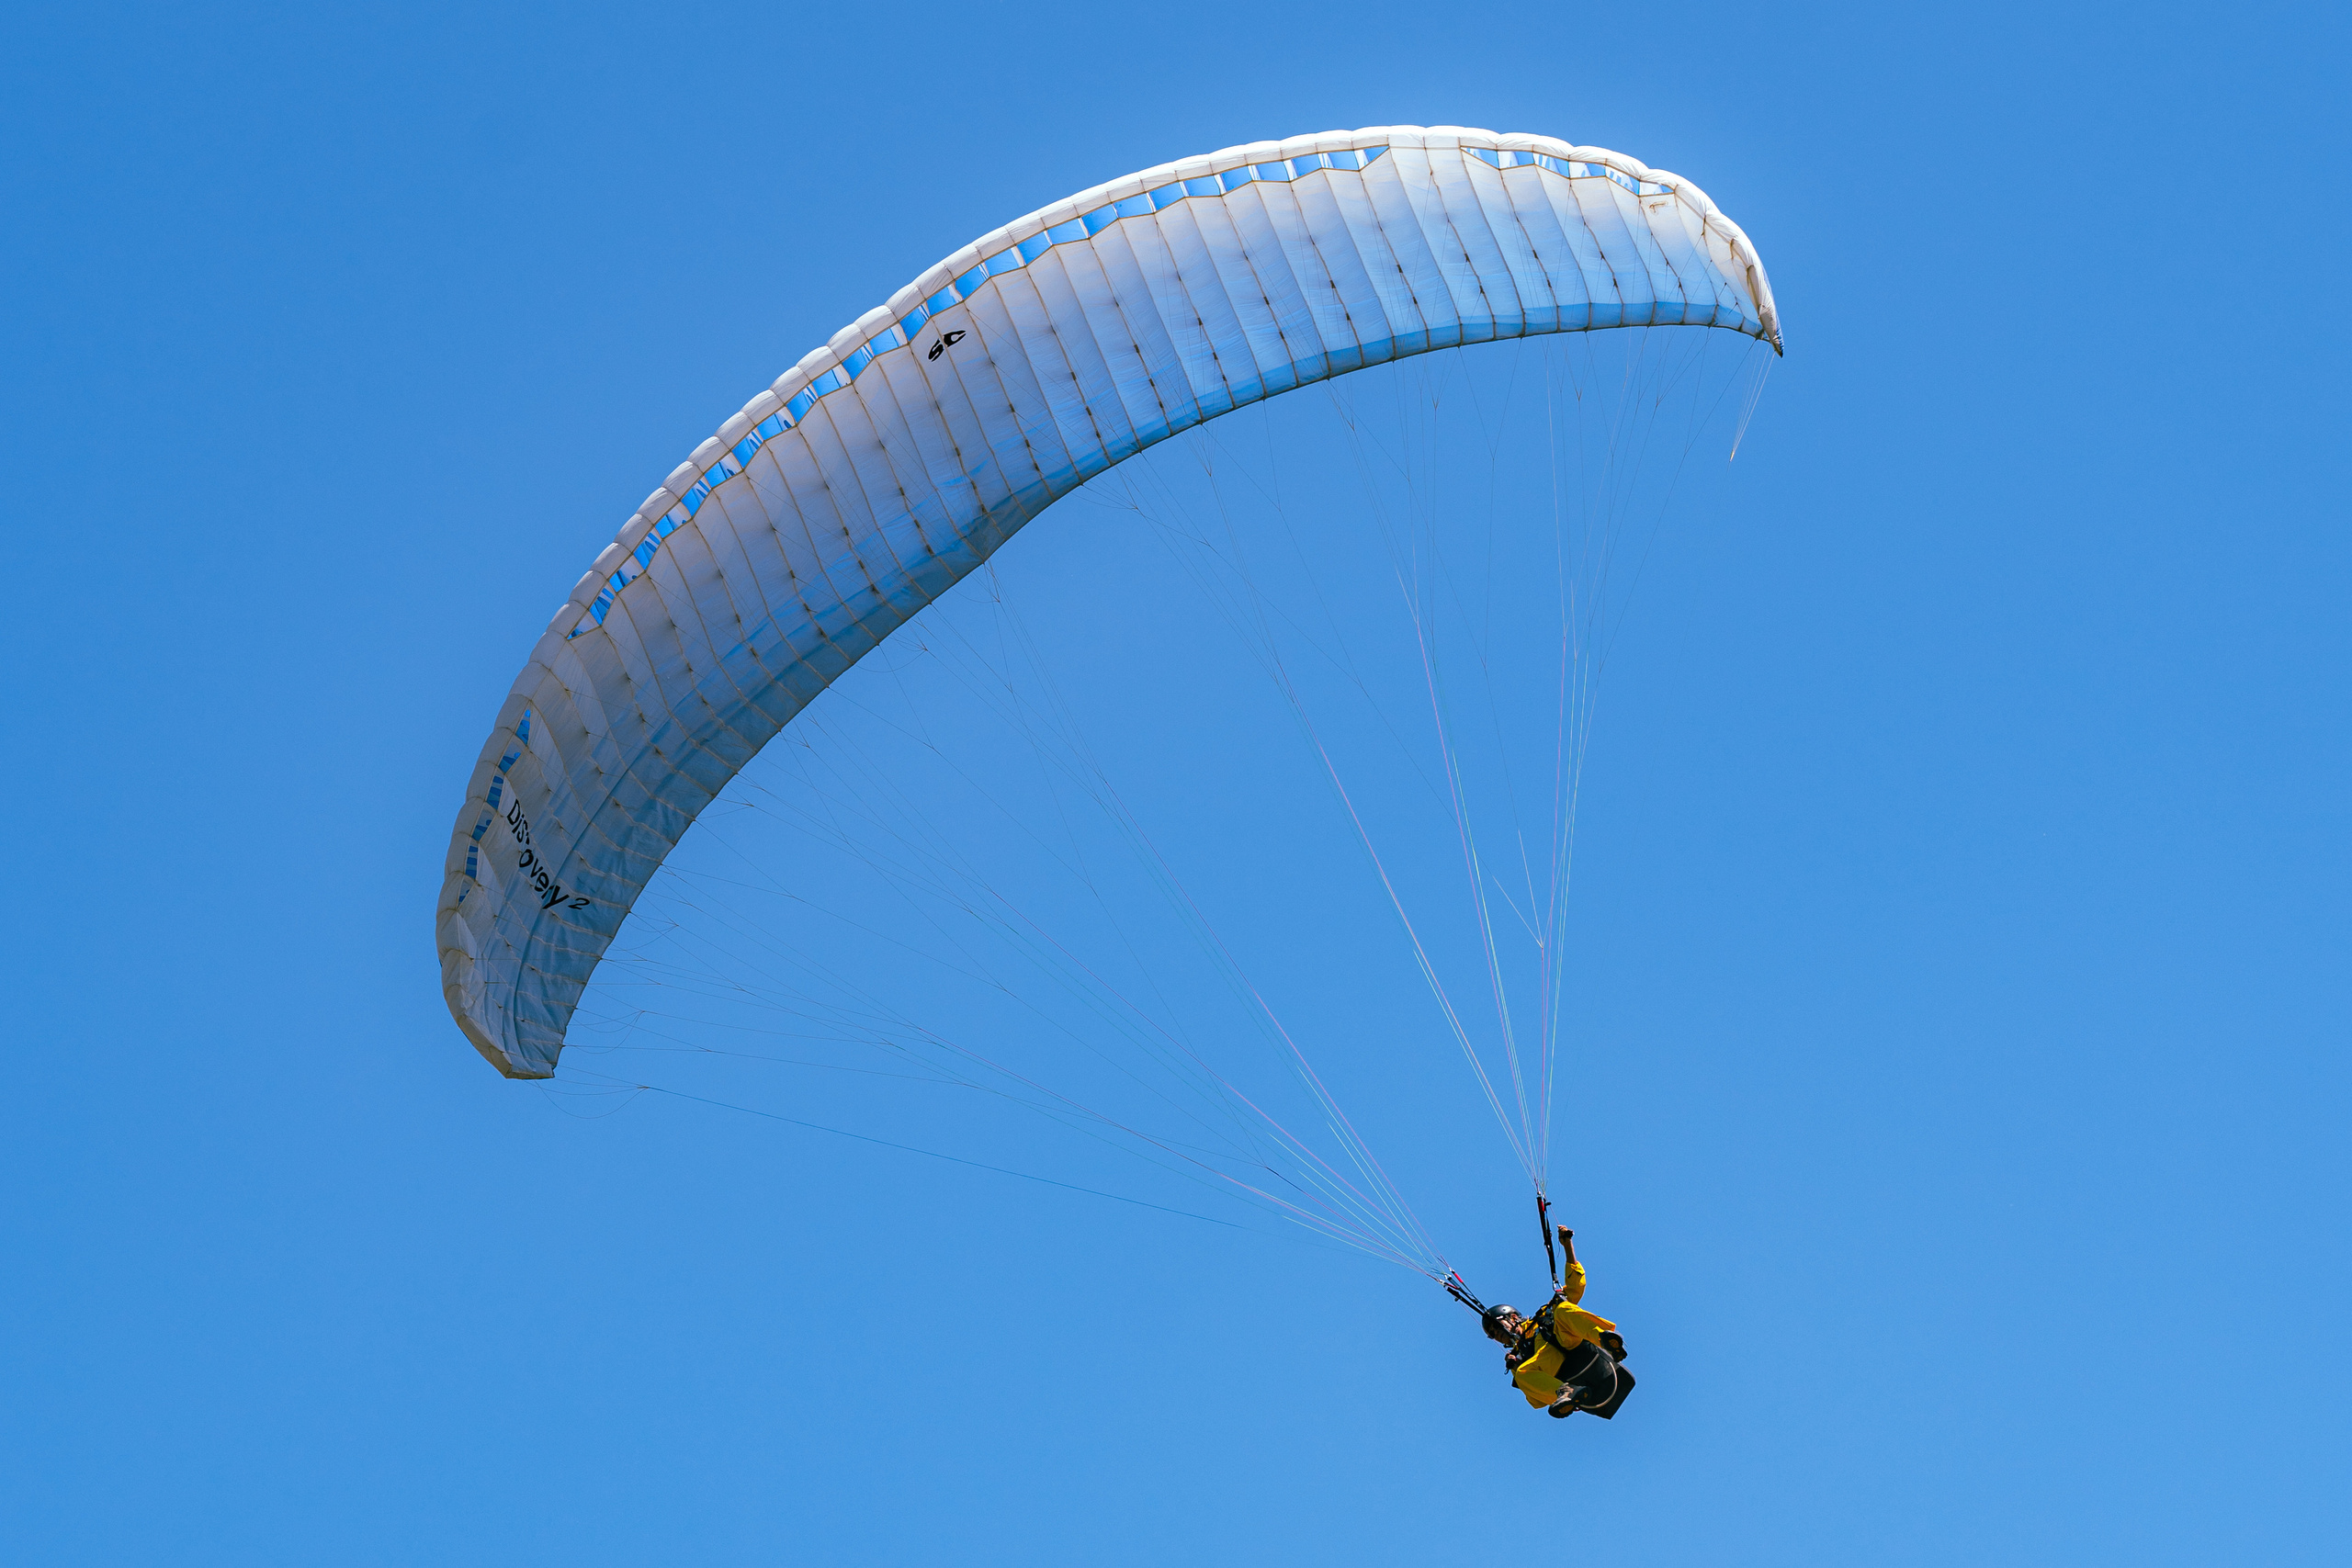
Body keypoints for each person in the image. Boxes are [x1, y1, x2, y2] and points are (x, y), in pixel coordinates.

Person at [1478, 1225, 1635, 1419]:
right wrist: (1514, 1369)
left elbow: (1575, 1289)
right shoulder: (1519, 1357)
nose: (1498, 1335)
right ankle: (1565, 1392)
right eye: (1493, 1335)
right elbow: (1536, 1401)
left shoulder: (1543, 1316)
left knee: (1562, 1308)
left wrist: (1568, 1246)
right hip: (1551, 1364)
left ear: (1512, 1317)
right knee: (1523, 1373)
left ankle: (1605, 1340)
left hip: (1569, 1342)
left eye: (1497, 1327)